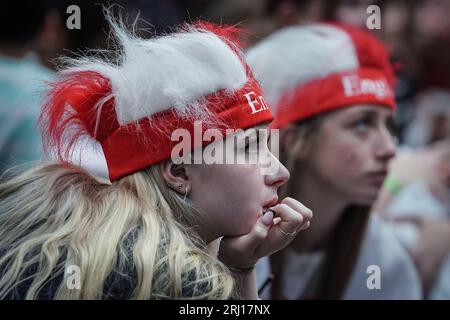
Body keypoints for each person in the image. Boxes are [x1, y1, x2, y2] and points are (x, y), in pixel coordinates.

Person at [0, 16, 312, 299]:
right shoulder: (174, 278)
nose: (280, 171)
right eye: (248, 147)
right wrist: (238, 276)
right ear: (179, 171)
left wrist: (241, 265)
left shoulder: (93, 242)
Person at [247, 23, 422, 299]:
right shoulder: (227, 245)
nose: (390, 148)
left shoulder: (386, 264)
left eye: (388, 125)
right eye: (362, 124)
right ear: (295, 140)